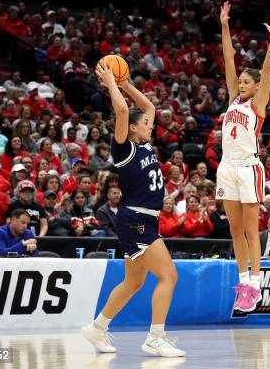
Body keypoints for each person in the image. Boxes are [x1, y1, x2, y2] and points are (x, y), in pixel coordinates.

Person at [81, 60, 184, 357]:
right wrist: (111, 83)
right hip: (136, 219)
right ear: (134, 128)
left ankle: (97, 328)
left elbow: (147, 108)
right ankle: (155, 337)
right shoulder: (124, 147)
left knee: (134, 281)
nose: (150, 125)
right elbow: (125, 111)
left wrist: (126, 84)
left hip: (144, 220)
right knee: (169, 276)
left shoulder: (146, 146)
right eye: (146, 124)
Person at [216, 1, 270, 313]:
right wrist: (225, 24)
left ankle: (255, 282)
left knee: (252, 230)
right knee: (234, 230)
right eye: (239, 81)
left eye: (245, 82)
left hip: (249, 168)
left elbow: (266, 70)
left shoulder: (257, 105)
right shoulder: (232, 100)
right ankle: (243, 283)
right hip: (226, 168)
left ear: (255, 87)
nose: (240, 84)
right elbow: (228, 59)